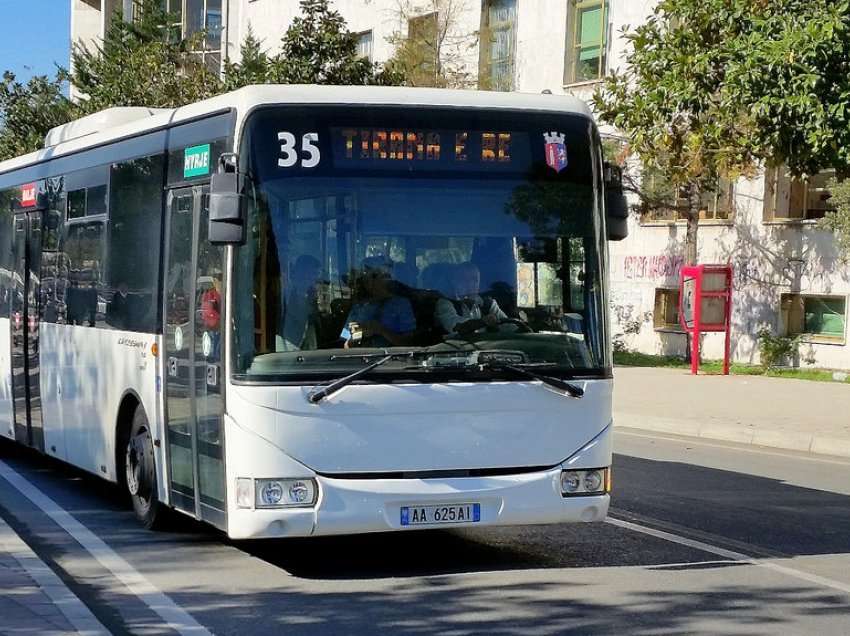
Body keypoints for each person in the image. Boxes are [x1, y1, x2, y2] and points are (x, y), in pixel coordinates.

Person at [340, 256, 416, 347]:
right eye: (365, 277)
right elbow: (344, 343)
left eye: (372, 276)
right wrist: (356, 335)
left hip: (393, 359)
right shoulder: (359, 307)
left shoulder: (401, 305)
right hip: (359, 358)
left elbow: (409, 343)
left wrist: (381, 330)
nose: (368, 282)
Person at [435, 262, 508, 335]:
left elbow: (509, 326)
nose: (470, 284)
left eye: (474, 280)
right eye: (464, 280)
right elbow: (456, 327)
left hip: (487, 346)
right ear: (454, 282)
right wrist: (483, 322)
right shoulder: (445, 304)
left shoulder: (487, 303)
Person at [280, 254, 322, 351]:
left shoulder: (310, 296)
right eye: (311, 274)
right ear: (300, 273)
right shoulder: (286, 296)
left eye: (315, 275)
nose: (314, 280)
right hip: (288, 349)